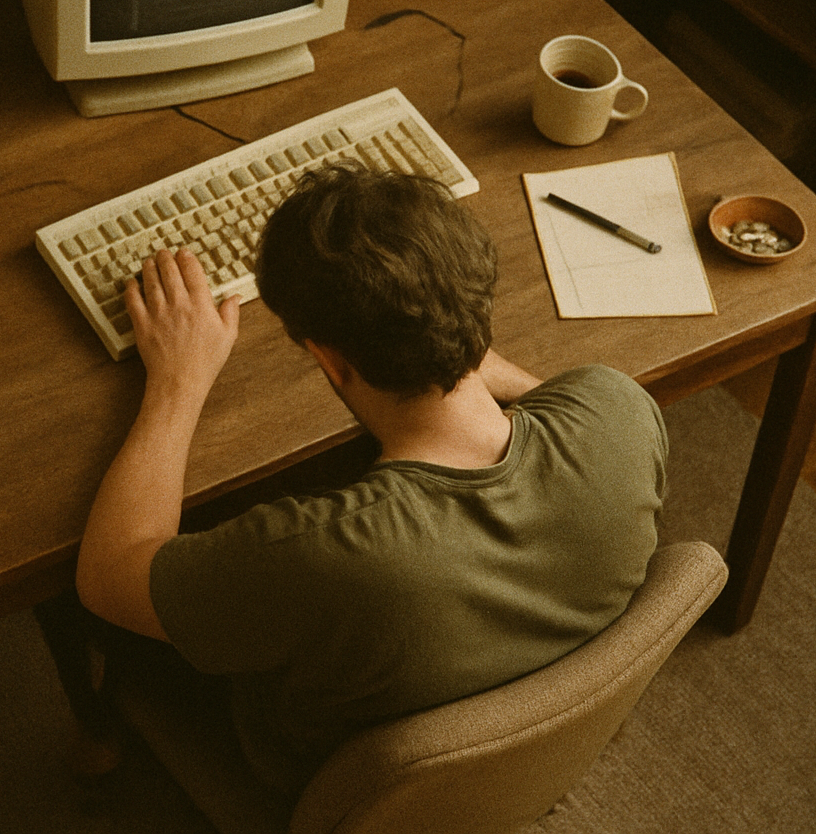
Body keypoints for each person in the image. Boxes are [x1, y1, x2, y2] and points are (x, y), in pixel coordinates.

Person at [72, 164, 667, 792]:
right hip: (513, 759)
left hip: (315, 776)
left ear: (328, 358)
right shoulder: (619, 410)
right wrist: (447, 332)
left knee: (76, 609)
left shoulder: (320, 553)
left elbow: (106, 576)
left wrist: (178, 380)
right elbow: (556, 399)